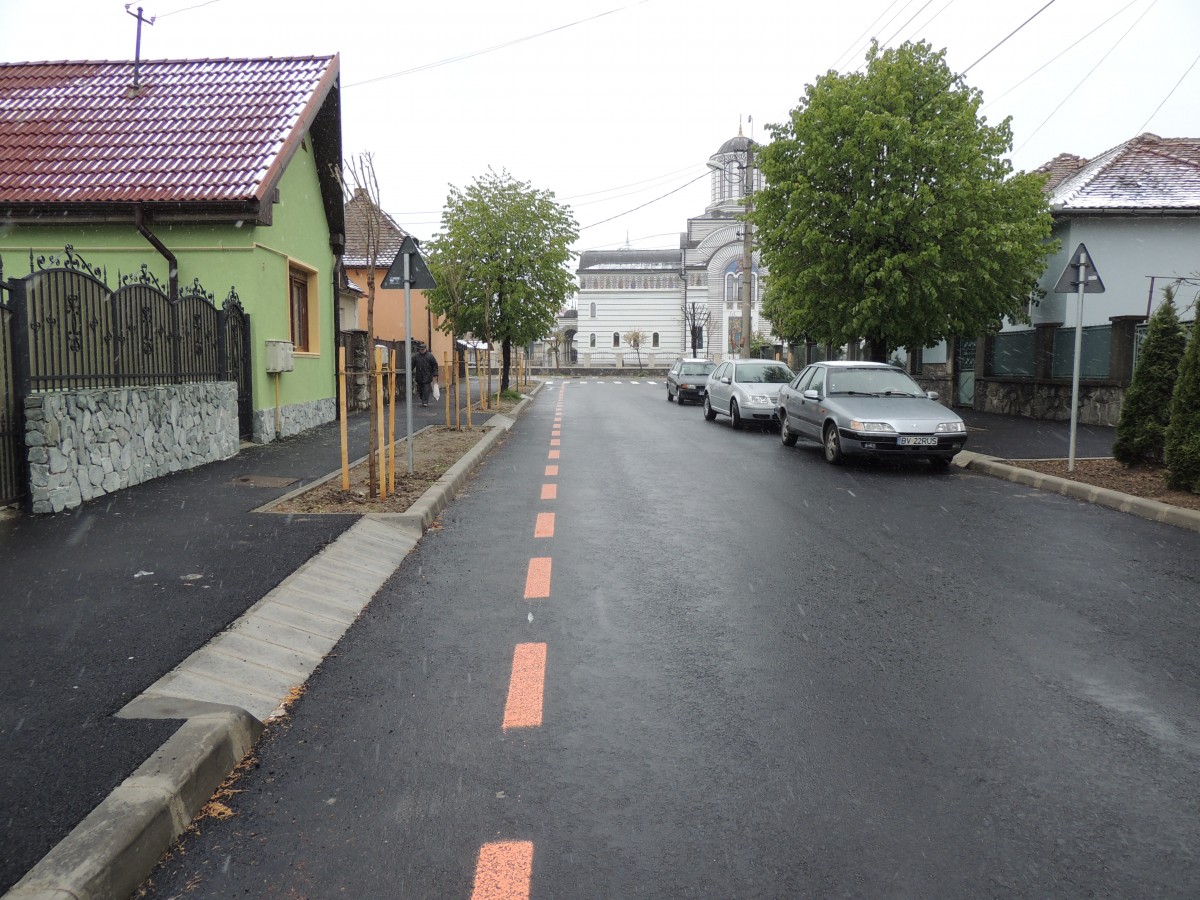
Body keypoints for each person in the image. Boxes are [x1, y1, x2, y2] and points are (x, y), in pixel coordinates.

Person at [413, 342, 439, 407]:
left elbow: (434, 365)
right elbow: (412, 364)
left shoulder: (430, 356)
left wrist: (435, 373)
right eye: (420, 349)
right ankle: (423, 399)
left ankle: (425, 402)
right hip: (419, 375)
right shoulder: (416, 356)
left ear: (425, 349)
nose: (421, 351)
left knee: (426, 389)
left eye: (422, 349)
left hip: (427, 375)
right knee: (420, 389)